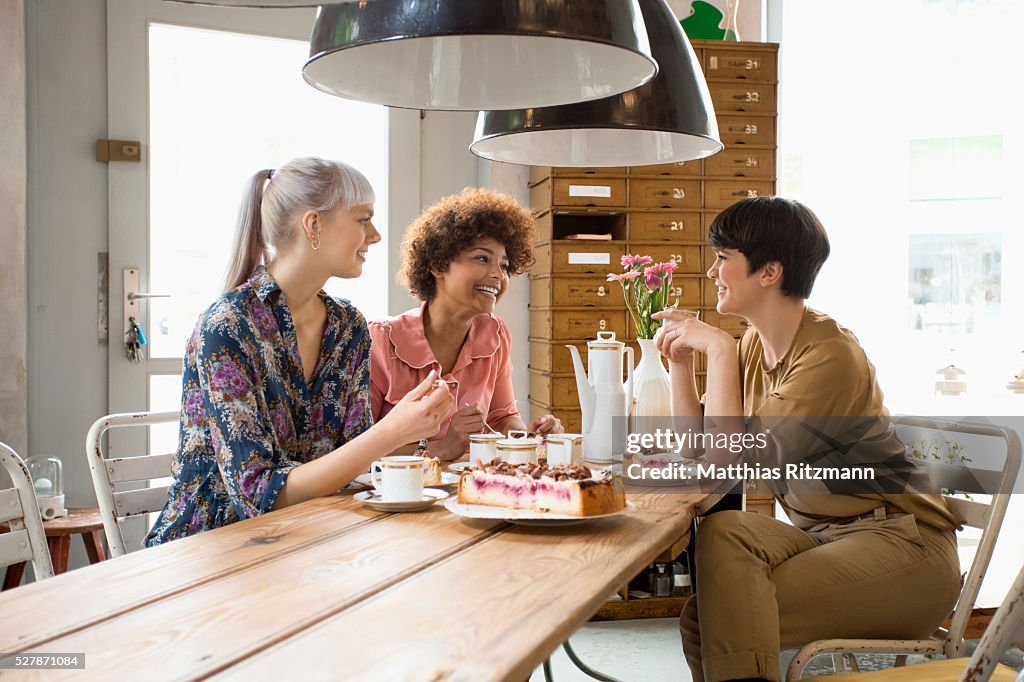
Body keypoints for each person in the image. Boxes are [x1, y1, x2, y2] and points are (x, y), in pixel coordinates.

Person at [653, 197, 961, 682]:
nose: (712, 271)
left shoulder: (830, 354)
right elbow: (694, 450)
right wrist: (680, 364)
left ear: (769, 271)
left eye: (722, 257)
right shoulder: (753, 346)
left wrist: (717, 348)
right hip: (825, 539)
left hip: (901, 548)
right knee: (724, 534)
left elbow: (725, 460)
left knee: (715, 616)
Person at [145, 157, 452, 546]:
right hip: (210, 549)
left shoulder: (348, 327)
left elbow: (353, 461)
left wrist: (415, 431)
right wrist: (392, 432)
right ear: (314, 225)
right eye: (362, 219)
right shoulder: (227, 328)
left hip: (308, 539)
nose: (375, 235)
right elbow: (259, 497)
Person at [369, 188, 562, 462]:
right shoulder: (381, 340)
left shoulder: (495, 335)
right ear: (438, 264)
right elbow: (356, 450)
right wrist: (439, 450)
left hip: (467, 490)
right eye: (482, 258)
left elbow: (502, 417)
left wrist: (530, 438)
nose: (497, 275)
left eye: (504, 266)